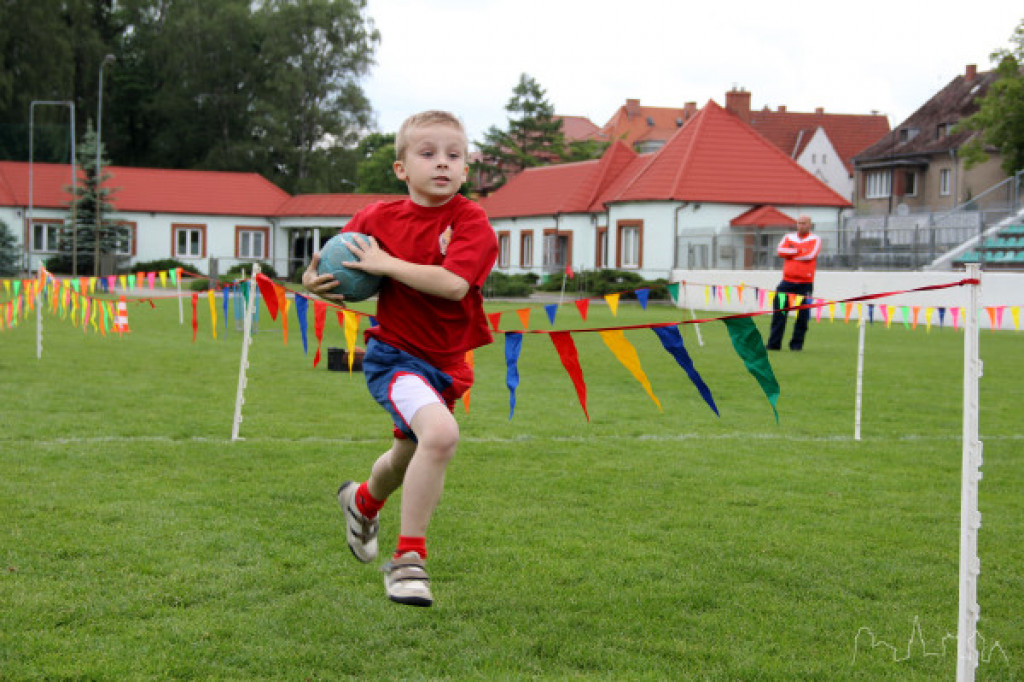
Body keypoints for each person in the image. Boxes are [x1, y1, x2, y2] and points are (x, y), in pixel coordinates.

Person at [302, 110, 498, 607]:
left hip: (448, 366)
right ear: (401, 169)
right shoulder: (376, 218)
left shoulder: (471, 221)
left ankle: (362, 501)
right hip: (395, 356)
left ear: (466, 169)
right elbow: (332, 259)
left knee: (406, 455)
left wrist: (387, 264)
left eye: (454, 155)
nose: (442, 163)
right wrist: (312, 279)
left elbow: (453, 285)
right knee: (441, 435)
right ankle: (409, 561)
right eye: (428, 154)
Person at [766, 215, 820, 351]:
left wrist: (791, 253)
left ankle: (796, 345)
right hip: (787, 282)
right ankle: (774, 344)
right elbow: (780, 251)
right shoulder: (788, 237)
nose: (801, 225)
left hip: (805, 283)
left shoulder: (815, 239)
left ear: (810, 225)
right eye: (799, 223)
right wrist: (799, 250)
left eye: (804, 223)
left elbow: (810, 255)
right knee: (779, 313)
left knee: (802, 316)